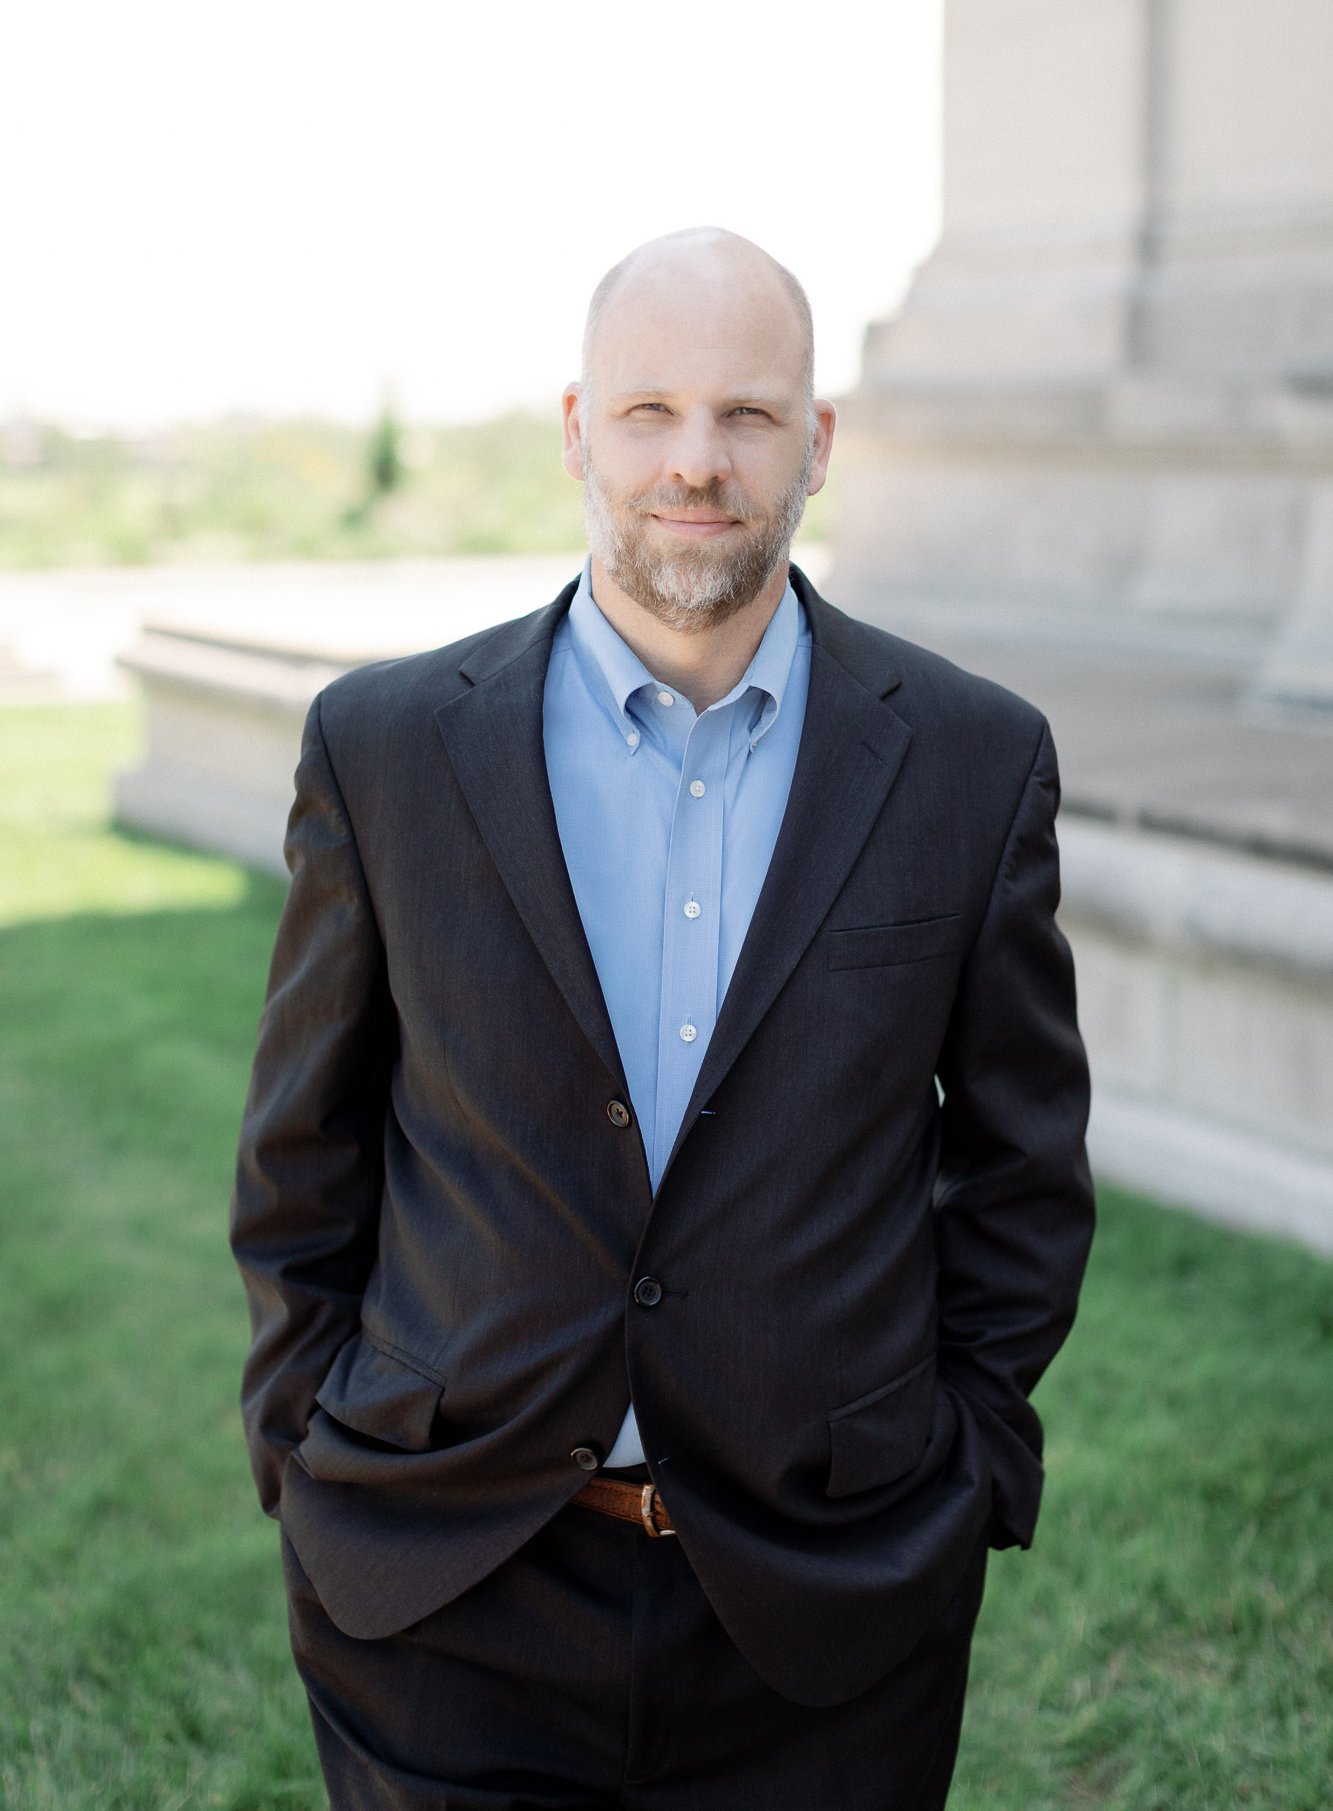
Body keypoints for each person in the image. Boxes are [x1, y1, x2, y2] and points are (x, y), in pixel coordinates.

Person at [231, 226, 1094, 1810]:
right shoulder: (388, 749)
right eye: (649, 413)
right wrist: (308, 1447)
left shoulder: (971, 763)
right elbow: (304, 1151)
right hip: (447, 1584)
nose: (696, 462)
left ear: (817, 445)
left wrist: (961, 1463)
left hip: (828, 1602)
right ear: (576, 429)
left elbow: (1023, 1171)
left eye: (749, 415)